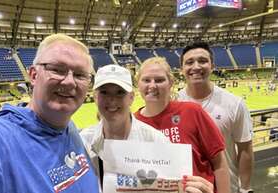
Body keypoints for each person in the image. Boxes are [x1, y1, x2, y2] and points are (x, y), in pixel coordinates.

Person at [0, 34, 100, 193]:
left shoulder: (69, 127)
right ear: (34, 75)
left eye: (80, 75)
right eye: (57, 69)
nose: (70, 81)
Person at [81, 64, 214, 193]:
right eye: (104, 92)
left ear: (131, 98)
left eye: (120, 92)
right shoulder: (83, 142)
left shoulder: (156, 140)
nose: (112, 100)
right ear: (95, 97)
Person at [134, 57, 230, 193]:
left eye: (159, 80)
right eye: (146, 80)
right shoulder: (132, 124)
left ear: (171, 83)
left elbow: (219, 163)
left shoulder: (192, 111)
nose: (152, 85)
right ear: (138, 83)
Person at [177, 42, 254, 193]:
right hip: (187, 188)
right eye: (189, 62)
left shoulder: (235, 104)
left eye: (203, 61)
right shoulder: (173, 103)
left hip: (226, 187)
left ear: (212, 66)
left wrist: (245, 189)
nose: (196, 67)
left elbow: (245, 149)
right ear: (182, 69)